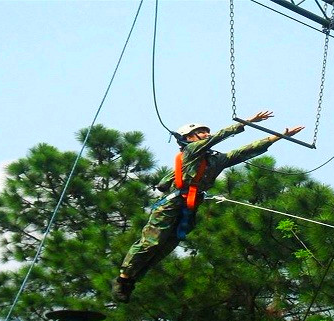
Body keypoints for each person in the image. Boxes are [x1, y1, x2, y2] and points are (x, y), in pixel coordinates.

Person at [112, 111, 304, 302]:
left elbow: (244, 151)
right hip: (171, 204)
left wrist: (278, 137)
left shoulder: (215, 160)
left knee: (166, 246)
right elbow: (219, 137)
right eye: (201, 132)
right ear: (189, 138)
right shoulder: (191, 152)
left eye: (206, 132)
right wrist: (249, 121)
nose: (206, 134)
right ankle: (123, 277)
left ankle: (132, 279)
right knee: (151, 243)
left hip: (190, 206)